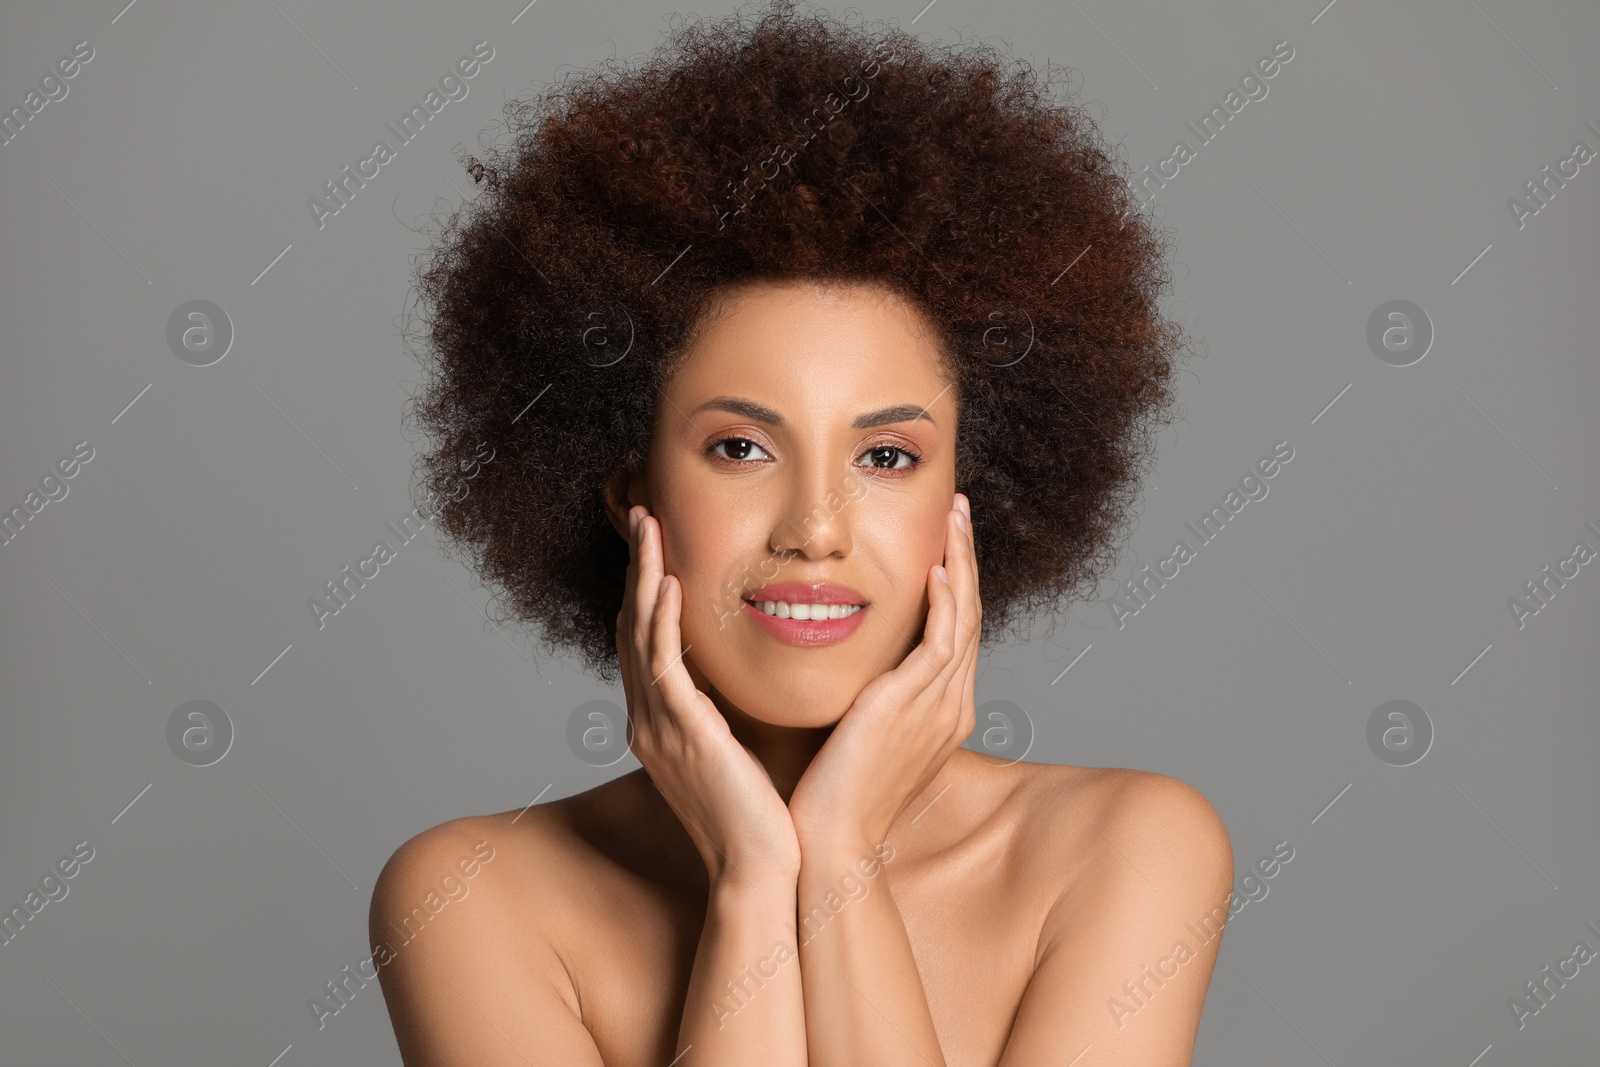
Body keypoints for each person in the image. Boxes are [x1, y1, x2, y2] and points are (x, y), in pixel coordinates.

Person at [372, 3, 1230, 1064]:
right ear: (628, 491)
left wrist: (838, 858)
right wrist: (752, 879)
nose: (815, 530)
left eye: (885, 457)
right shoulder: (469, 895)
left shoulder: (1125, 849)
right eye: (740, 448)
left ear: (972, 498)